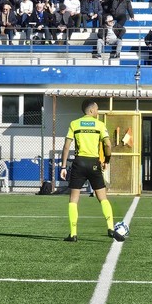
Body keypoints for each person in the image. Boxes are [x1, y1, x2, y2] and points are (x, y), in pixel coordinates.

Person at [59, 99, 115, 242]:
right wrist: (107, 160)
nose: (97, 112)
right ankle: (111, 228)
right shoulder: (100, 125)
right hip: (94, 163)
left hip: (79, 163)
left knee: (73, 199)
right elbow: (108, 145)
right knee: (102, 197)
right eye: (96, 109)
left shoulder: (74, 124)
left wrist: (63, 166)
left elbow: (66, 147)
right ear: (91, 111)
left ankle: (73, 234)